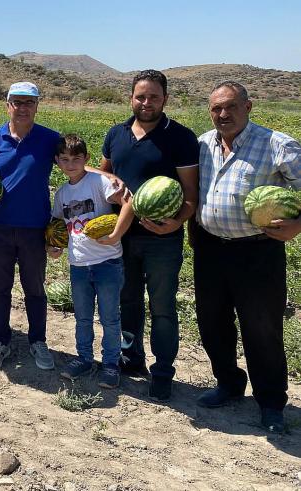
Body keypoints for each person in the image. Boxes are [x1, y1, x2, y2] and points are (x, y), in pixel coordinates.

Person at [193, 81, 301, 433]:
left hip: (257, 251)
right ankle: (228, 383)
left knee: (262, 328)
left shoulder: (276, 144)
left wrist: (298, 224)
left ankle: (271, 402)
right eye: (216, 109)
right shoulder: (203, 144)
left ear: (248, 106)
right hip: (209, 248)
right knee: (212, 323)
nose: (223, 114)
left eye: (231, 107)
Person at [99, 69, 199, 401]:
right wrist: (110, 188)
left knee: (162, 307)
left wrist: (177, 222)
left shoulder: (181, 137)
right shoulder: (116, 133)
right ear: (131, 98)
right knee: (127, 299)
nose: (146, 102)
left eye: (153, 96)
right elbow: (103, 173)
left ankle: (162, 372)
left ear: (165, 99)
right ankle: (131, 358)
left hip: (162, 240)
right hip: (122, 234)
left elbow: (189, 195)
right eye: (141, 96)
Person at [0, 82, 59, 369]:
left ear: (36, 106)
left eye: (28, 102)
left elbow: (75, 165)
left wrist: (108, 178)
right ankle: (0, 342)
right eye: (16, 102)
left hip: (35, 228)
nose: (22, 108)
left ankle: (38, 342)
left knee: (35, 288)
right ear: (7, 105)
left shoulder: (49, 139)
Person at [48, 134, 134, 388]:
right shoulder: (62, 194)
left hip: (107, 262)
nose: (71, 164)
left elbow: (128, 201)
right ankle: (84, 358)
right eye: (64, 159)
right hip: (78, 264)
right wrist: (53, 247)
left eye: (76, 158)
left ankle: (110, 364)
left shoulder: (98, 182)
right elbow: (58, 227)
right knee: (83, 317)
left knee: (110, 317)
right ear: (57, 162)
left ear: (86, 159)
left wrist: (117, 233)